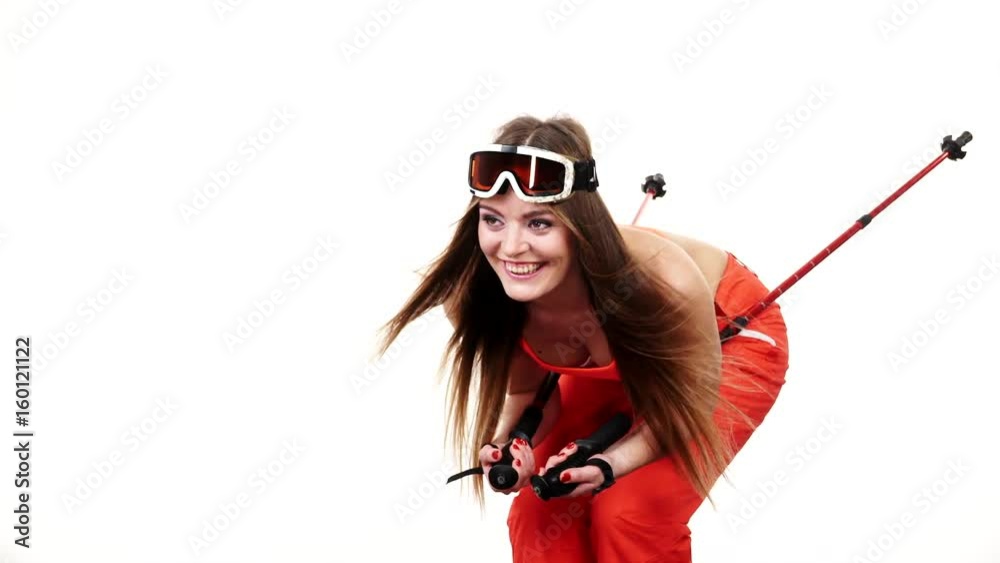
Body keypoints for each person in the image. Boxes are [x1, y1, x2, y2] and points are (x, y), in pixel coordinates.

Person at [375, 114, 790, 562]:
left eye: (539, 224)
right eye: (493, 220)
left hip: (729, 332)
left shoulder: (668, 283)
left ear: (580, 225)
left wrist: (608, 465)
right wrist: (509, 444)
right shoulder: (476, 295)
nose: (511, 248)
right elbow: (527, 390)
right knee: (539, 512)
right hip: (613, 350)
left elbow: (680, 415)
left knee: (628, 513)